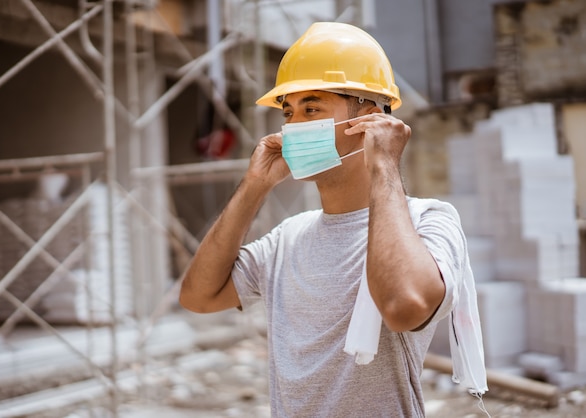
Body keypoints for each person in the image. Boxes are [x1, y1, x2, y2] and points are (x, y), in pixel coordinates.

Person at [179, 22, 486, 417]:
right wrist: (253, 186)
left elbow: (404, 307)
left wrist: (385, 165)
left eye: (312, 108)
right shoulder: (288, 238)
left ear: (370, 120)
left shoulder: (428, 220)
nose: (293, 127)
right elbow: (198, 296)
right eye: (288, 112)